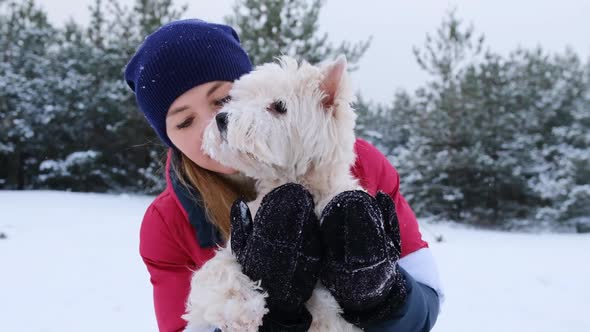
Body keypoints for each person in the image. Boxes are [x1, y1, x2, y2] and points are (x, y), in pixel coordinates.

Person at [125, 19, 443, 332]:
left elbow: (426, 303)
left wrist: (384, 299)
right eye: (184, 122)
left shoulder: (363, 165)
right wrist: (272, 320)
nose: (214, 122)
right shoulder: (166, 223)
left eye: (223, 100)